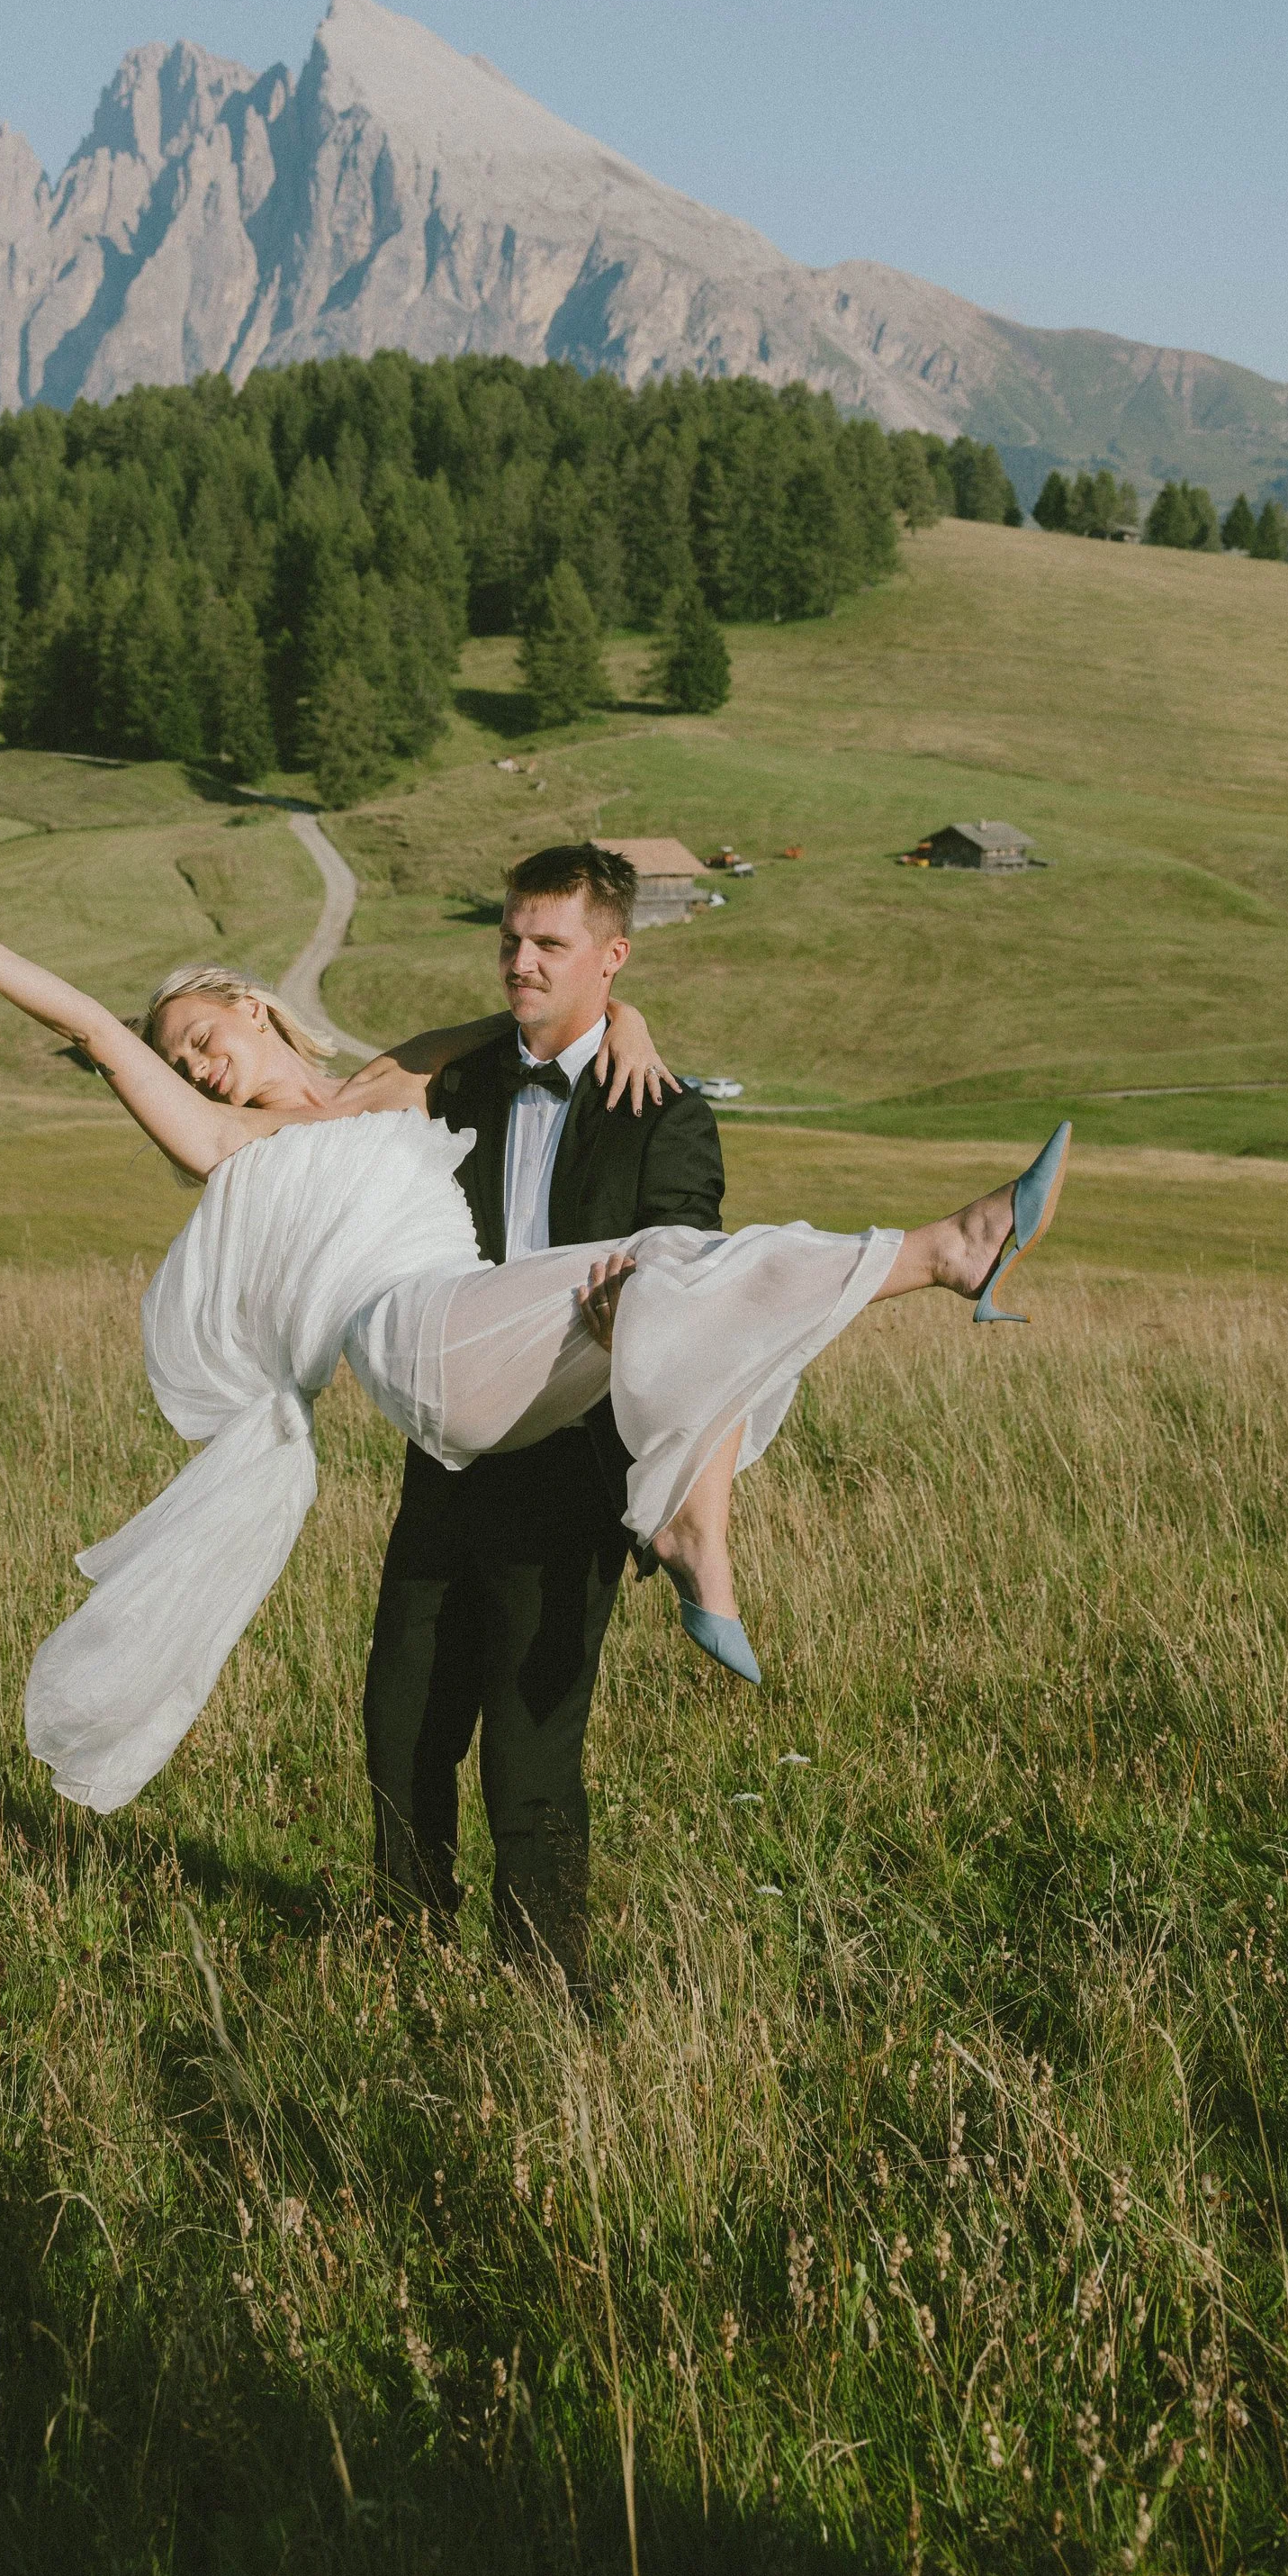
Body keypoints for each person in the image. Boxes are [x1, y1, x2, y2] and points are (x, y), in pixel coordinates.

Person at [0, 890, 1071, 1823]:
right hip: (412, 1337)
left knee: (660, 1267)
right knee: (650, 1271)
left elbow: (550, 1025)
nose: (196, 1066)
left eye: (201, 1037)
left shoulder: (396, 1079)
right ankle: (945, 1253)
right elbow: (94, 1030)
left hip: (487, 1326)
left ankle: (696, 1515)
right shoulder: (228, 1139)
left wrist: (639, 1021)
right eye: (182, 1061)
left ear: (252, 1007)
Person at [360, 841, 725, 1991]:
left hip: (572, 1465)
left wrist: (642, 1299)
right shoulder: (464, 1080)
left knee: (530, 1742)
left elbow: (689, 1254)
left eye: (548, 944)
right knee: (400, 1719)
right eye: (511, 938)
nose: (520, 961)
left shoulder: (664, 1114)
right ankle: (404, 1952)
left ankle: (547, 1988)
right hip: (445, 1451)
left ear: (610, 957)